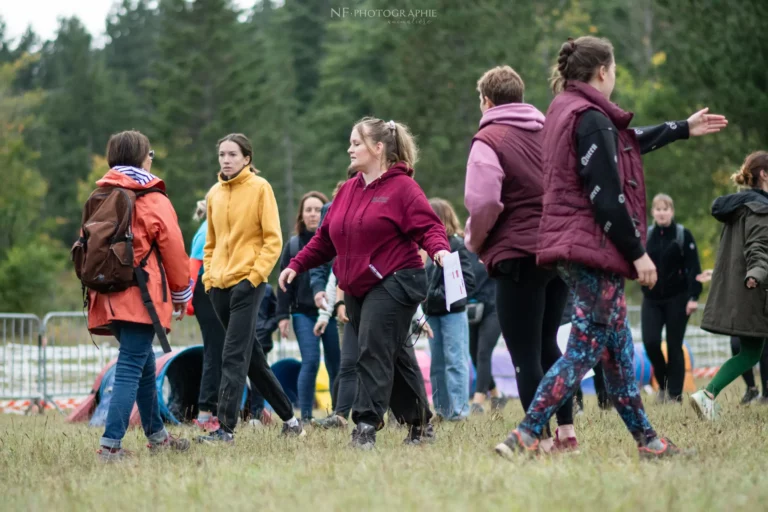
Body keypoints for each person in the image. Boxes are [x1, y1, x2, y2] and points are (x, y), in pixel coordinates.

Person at [494, 36, 727, 459]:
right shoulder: (591, 116)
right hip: (591, 246)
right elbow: (607, 195)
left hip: (566, 243)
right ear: (603, 71)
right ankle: (525, 432)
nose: (615, 77)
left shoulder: (564, 109)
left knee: (618, 350)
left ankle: (649, 443)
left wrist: (681, 129)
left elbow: (623, 142)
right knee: (583, 350)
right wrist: (638, 252)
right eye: (615, 70)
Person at [279, 117, 451, 449]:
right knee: (395, 355)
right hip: (358, 284)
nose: (350, 149)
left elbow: (429, 228)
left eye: (356, 143)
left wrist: (440, 251)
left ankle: (365, 426)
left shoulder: (403, 188)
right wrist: (296, 265)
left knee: (371, 349)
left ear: (378, 147)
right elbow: (325, 240)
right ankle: (420, 425)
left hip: (397, 279)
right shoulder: (346, 191)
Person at [464, 65, 576, 452]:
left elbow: (483, 202)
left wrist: (475, 242)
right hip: (557, 250)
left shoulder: (488, 139)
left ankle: (537, 439)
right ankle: (566, 431)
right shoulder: (550, 131)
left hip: (517, 255)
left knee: (524, 354)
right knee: (549, 345)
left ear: (487, 100)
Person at [79, 130, 192, 461]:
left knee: (142, 365)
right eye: (150, 153)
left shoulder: (99, 197)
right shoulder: (153, 199)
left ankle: (157, 437)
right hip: (141, 299)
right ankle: (111, 445)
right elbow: (173, 250)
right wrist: (182, 293)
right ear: (143, 158)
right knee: (131, 365)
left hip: (105, 296)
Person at [198, 133, 304, 443]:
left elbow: (273, 239)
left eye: (232, 154)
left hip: (249, 283)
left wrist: (254, 277)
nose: (226, 160)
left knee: (232, 355)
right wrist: (208, 279)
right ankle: (291, 421)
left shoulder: (261, 188)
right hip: (218, 286)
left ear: (247, 158)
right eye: (222, 155)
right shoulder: (214, 194)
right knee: (253, 358)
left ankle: (226, 428)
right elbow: (211, 242)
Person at [691, 151, 768, 420]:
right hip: (756, 289)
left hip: (745, 289)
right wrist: (758, 273)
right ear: (764, 175)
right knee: (750, 353)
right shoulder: (760, 208)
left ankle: (707, 394)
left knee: (749, 353)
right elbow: (758, 247)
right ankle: (707, 394)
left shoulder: (738, 208)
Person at [276, 191, 341, 422]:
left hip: (332, 312)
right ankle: (305, 416)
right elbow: (283, 283)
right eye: (309, 210)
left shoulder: (335, 242)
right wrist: (282, 316)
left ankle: (338, 414)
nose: (313, 214)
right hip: (303, 313)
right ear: (301, 215)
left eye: (317, 209)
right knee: (311, 360)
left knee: (336, 362)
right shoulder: (293, 245)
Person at [641, 193, 702, 403]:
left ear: (672, 211)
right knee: (650, 342)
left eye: (665, 209)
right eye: (658, 209)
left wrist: (694, 296)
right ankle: (663, 382)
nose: (662, 213)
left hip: (678, 298)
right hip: (651, 299)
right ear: (653, 213)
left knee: (674, 345)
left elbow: (694, 267)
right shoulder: (646, 236)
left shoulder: (683, 235)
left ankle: (674, 394)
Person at [424, 198, 475, 421]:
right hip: (431, 312)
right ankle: (442, 410)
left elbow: (469, 281)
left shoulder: (456, 244)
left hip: (453, 312)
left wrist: (445, 296)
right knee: (437, 363)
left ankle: (460, 411)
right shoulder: (423, 247)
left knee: (455, 360)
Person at [466, 250, 508, 414]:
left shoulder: (496, 249)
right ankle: (497, 395)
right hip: (472, 308)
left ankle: (478, 402)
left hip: (494, 308)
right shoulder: (466, 251)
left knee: (483, 352)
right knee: (474, 353)